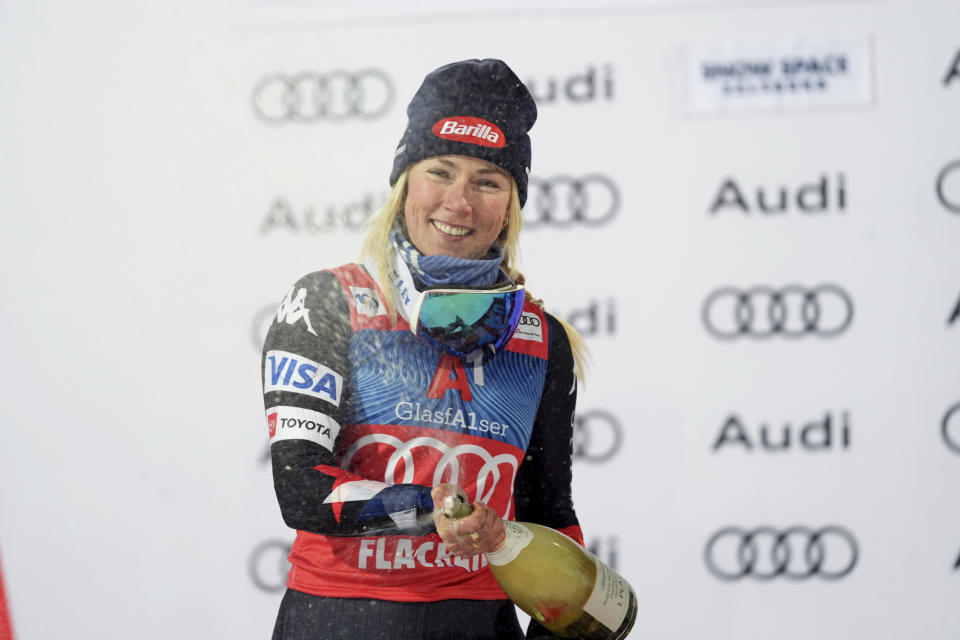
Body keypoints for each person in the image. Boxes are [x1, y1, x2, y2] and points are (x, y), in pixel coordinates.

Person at [261, 58, 589, 640]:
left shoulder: (543, 339)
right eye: (440, 171)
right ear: (405, 181)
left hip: (480, 624)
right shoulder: (327, 303)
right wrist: (426, 508)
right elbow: (302, 488)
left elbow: (548, 515)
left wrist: (561, 627)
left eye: (488, 181)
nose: (459, 203)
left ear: (511, 205)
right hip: (339, 619)